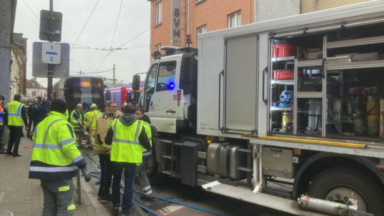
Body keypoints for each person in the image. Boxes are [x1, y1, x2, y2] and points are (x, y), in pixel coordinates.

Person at [29, 99, 91, 216]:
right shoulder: (62, 124)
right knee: (66, 208)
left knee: (49, 206)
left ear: (50, 109)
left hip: (42, 172)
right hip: (59, 172)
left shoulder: (41, 124)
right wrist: (83, 165)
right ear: (65, 111)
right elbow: (69, 148)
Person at [105, 104, 150, 216]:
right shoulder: (139, 124)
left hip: (117, 158)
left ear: (123, 111)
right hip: (131, 159)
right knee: (129, 185)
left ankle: (115, 206)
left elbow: (107, 141)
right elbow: (147, 145)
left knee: (116, 182)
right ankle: (125, 211)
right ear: (134, 112)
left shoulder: (115, 123)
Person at [93, 101, 122, 202]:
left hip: (111, 150)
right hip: (104, 151)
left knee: (109, 172)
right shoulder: (103, 118)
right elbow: (102, 135)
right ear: (107, 108)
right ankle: (104, 194)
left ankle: (104, 193)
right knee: (106, 173)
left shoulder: (115, 116)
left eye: (116, 107)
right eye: (113, 107)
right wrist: (108, 148)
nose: (115, 108)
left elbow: (122, 115)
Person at [134, 108, 154, 201]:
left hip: (140, 154)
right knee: (142, 173)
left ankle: (128, 198)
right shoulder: (147, 124)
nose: (135, 116)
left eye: (137, 114)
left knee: (130, 175)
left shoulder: (139, 125)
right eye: (134, 114)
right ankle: (149, 194)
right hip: (146, 153)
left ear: (142, 115)